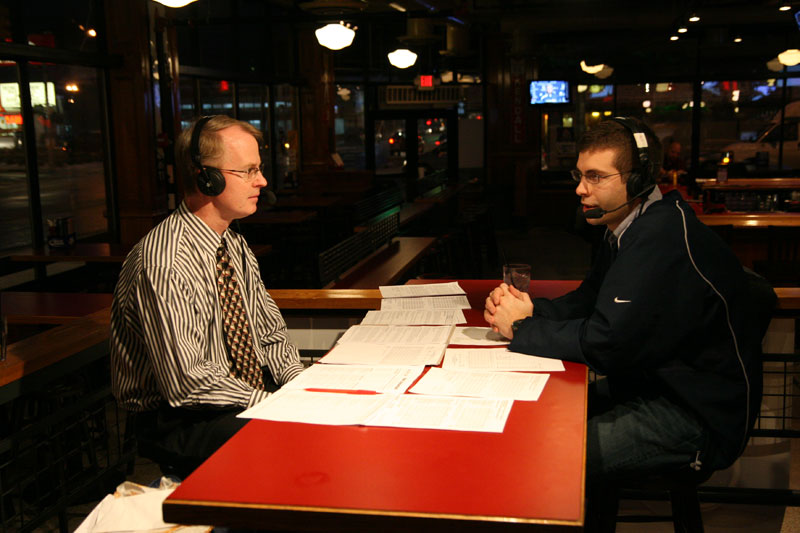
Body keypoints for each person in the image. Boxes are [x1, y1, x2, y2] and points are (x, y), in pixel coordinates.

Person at [484, 117, 773, 531]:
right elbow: (589, 302)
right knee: (534, 420)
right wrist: (526, 309)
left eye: (595, 177)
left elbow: (608, 343)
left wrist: (523, 329)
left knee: (546, 454)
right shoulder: (627, 225)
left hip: (693, 414)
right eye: (579, 175)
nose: (581, 189)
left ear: (636, 180)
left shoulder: (659, 237)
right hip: (651, 384)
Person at [111, 115, 304, 477]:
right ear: (206, 178)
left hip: (238, 396)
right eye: (247, 171)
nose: (261, 181)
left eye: (258, 169)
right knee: (293, 440)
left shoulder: (232, 242)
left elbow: (271, 334)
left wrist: (300, 385)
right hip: (177, 418)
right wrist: (276, 404)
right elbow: (188, 382)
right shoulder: (164, 262)